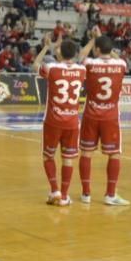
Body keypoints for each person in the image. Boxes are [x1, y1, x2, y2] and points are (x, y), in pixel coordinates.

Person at [34, 34, 87, 206]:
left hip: (53, 121)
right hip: (72, 122)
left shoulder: (52, 69)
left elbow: (35, 65)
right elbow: (82, 57)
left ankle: (55, 190)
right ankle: (64, 196)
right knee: (68, 158)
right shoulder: (81, 70)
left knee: (48, 156)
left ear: (60, 53)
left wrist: (45, 47)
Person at [79, 32, 131, 206]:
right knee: (114, 154)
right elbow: (117, 59)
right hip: (111, 117)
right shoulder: (121, 64)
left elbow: (81, 55)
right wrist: (103, 41)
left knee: (87, 153)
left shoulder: (90, 64)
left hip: (91, 114)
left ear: (97, 49)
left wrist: (93, 40)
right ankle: (110, 194)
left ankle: (86, 194)